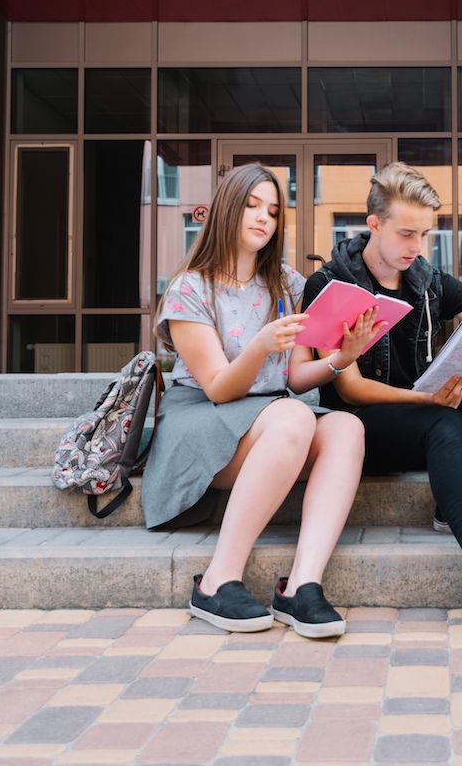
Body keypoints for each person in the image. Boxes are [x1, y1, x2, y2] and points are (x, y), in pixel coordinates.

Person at [292, 162, 462, 654]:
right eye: (407, 233)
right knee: (441, 416)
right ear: (372, 225)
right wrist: (428, 398)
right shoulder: (330, 285)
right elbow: (349, 390)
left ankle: (460, 494)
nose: (417, 246)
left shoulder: (428, 280)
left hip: (430, 418)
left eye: (426, 233)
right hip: (365, 432)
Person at [142, 162, 381, 638]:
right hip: (202, 421)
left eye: (272, 211)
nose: (263, 218)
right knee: (292, 416)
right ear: (228, 209)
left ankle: (301, 585)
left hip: (270, 421)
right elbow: (217, 387)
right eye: (252, 206)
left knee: (346, 426)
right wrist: (259, 345)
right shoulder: (191, 287)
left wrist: (340, 357)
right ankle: (216, 581)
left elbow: (295, 377)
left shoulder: (288, 285)